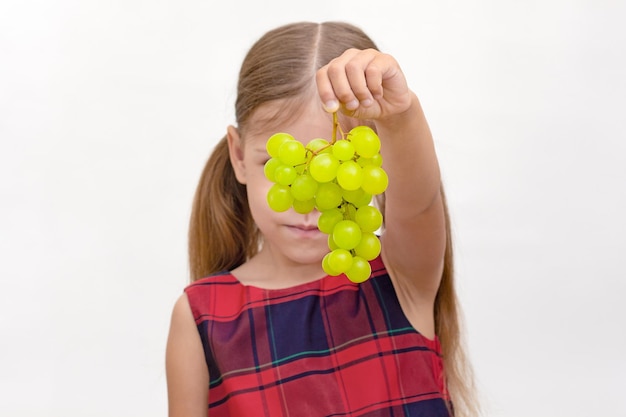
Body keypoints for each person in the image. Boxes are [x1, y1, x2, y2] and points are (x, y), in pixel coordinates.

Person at [165, 21, 478, 417]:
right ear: (239, 155)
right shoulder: (201, 316)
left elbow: (419, 201)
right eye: (285, 168)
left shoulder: (399, 273)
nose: (310, 202)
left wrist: (401, 116)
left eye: (335, 171)